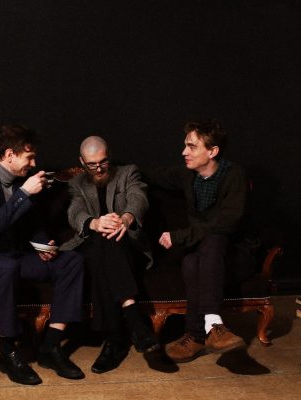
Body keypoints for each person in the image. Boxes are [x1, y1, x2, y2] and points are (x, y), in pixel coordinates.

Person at [0, 124, 85, 385]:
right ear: (9, 155)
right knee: (5, 266)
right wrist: (24, 192)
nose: (34, 163)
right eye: (29, 157)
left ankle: (51, 346)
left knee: (71, 261)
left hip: (16, 257)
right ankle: (7, 352)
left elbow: (32, 224)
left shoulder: (20, 182)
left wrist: (43, 245)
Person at [148, 119, 248, 363]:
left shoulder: (234, 175)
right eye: (185, 145)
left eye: (192, 146)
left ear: (212, 151)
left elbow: (225, 224)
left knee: (214, 240)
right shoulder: (187, 174)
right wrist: (114, 170)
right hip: (201, 251)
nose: (184, 152)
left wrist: (178, 236)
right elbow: (152, 175)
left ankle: (209, 327)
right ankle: (201, 333)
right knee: (191, 262)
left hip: (232, 252)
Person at [61, 136, 159, 374]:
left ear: (109, 156)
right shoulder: (76, 183)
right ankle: (134, 324)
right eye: (92, 164)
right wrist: (95, 223)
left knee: (107, 243)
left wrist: (125, 218)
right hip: (93, 246)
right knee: (100, 242)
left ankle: (114, 339)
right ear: (82, 162)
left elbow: (139, 197)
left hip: (127, 248)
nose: (98, 168)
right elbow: (75, 212)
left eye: (103, 162)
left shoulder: (128, 172)